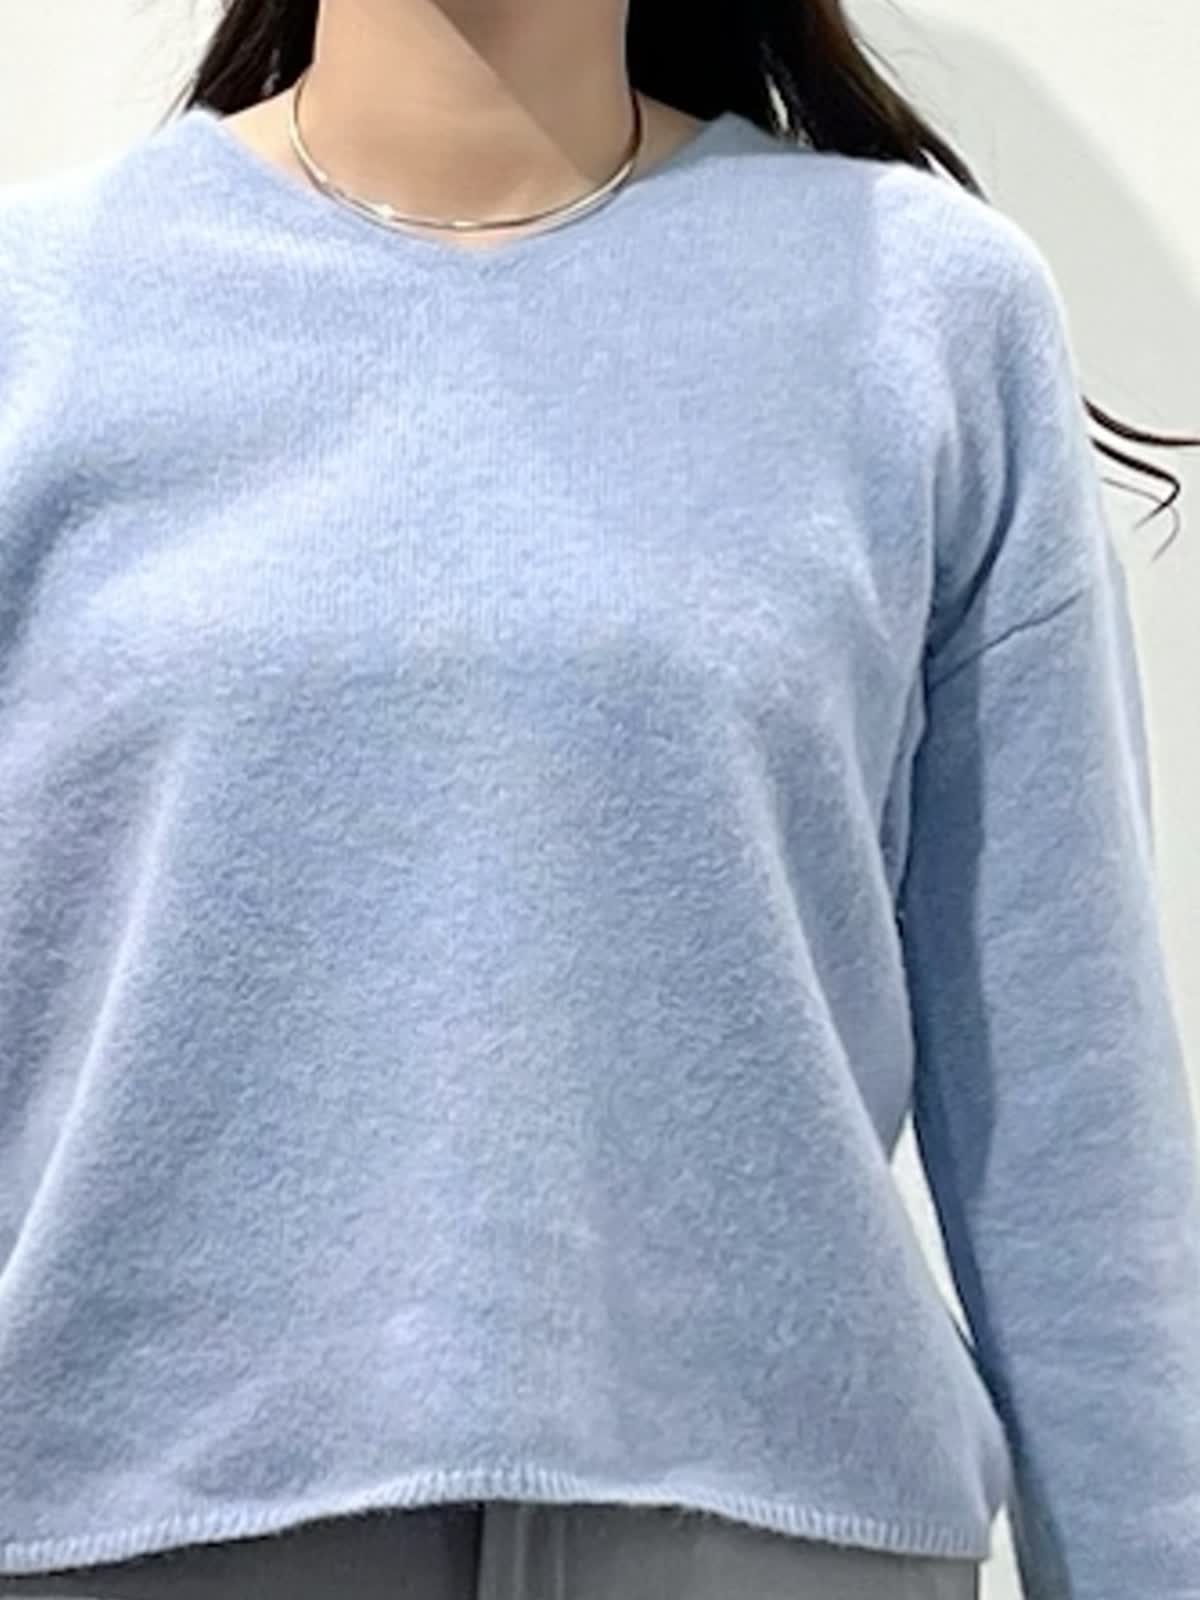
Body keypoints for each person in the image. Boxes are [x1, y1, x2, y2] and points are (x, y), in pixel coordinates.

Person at [0, 2, 1198, 1597]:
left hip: (771, 1534)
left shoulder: (927, 315)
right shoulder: (39, 317)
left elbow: (1071, 1119)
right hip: (126, 1518)